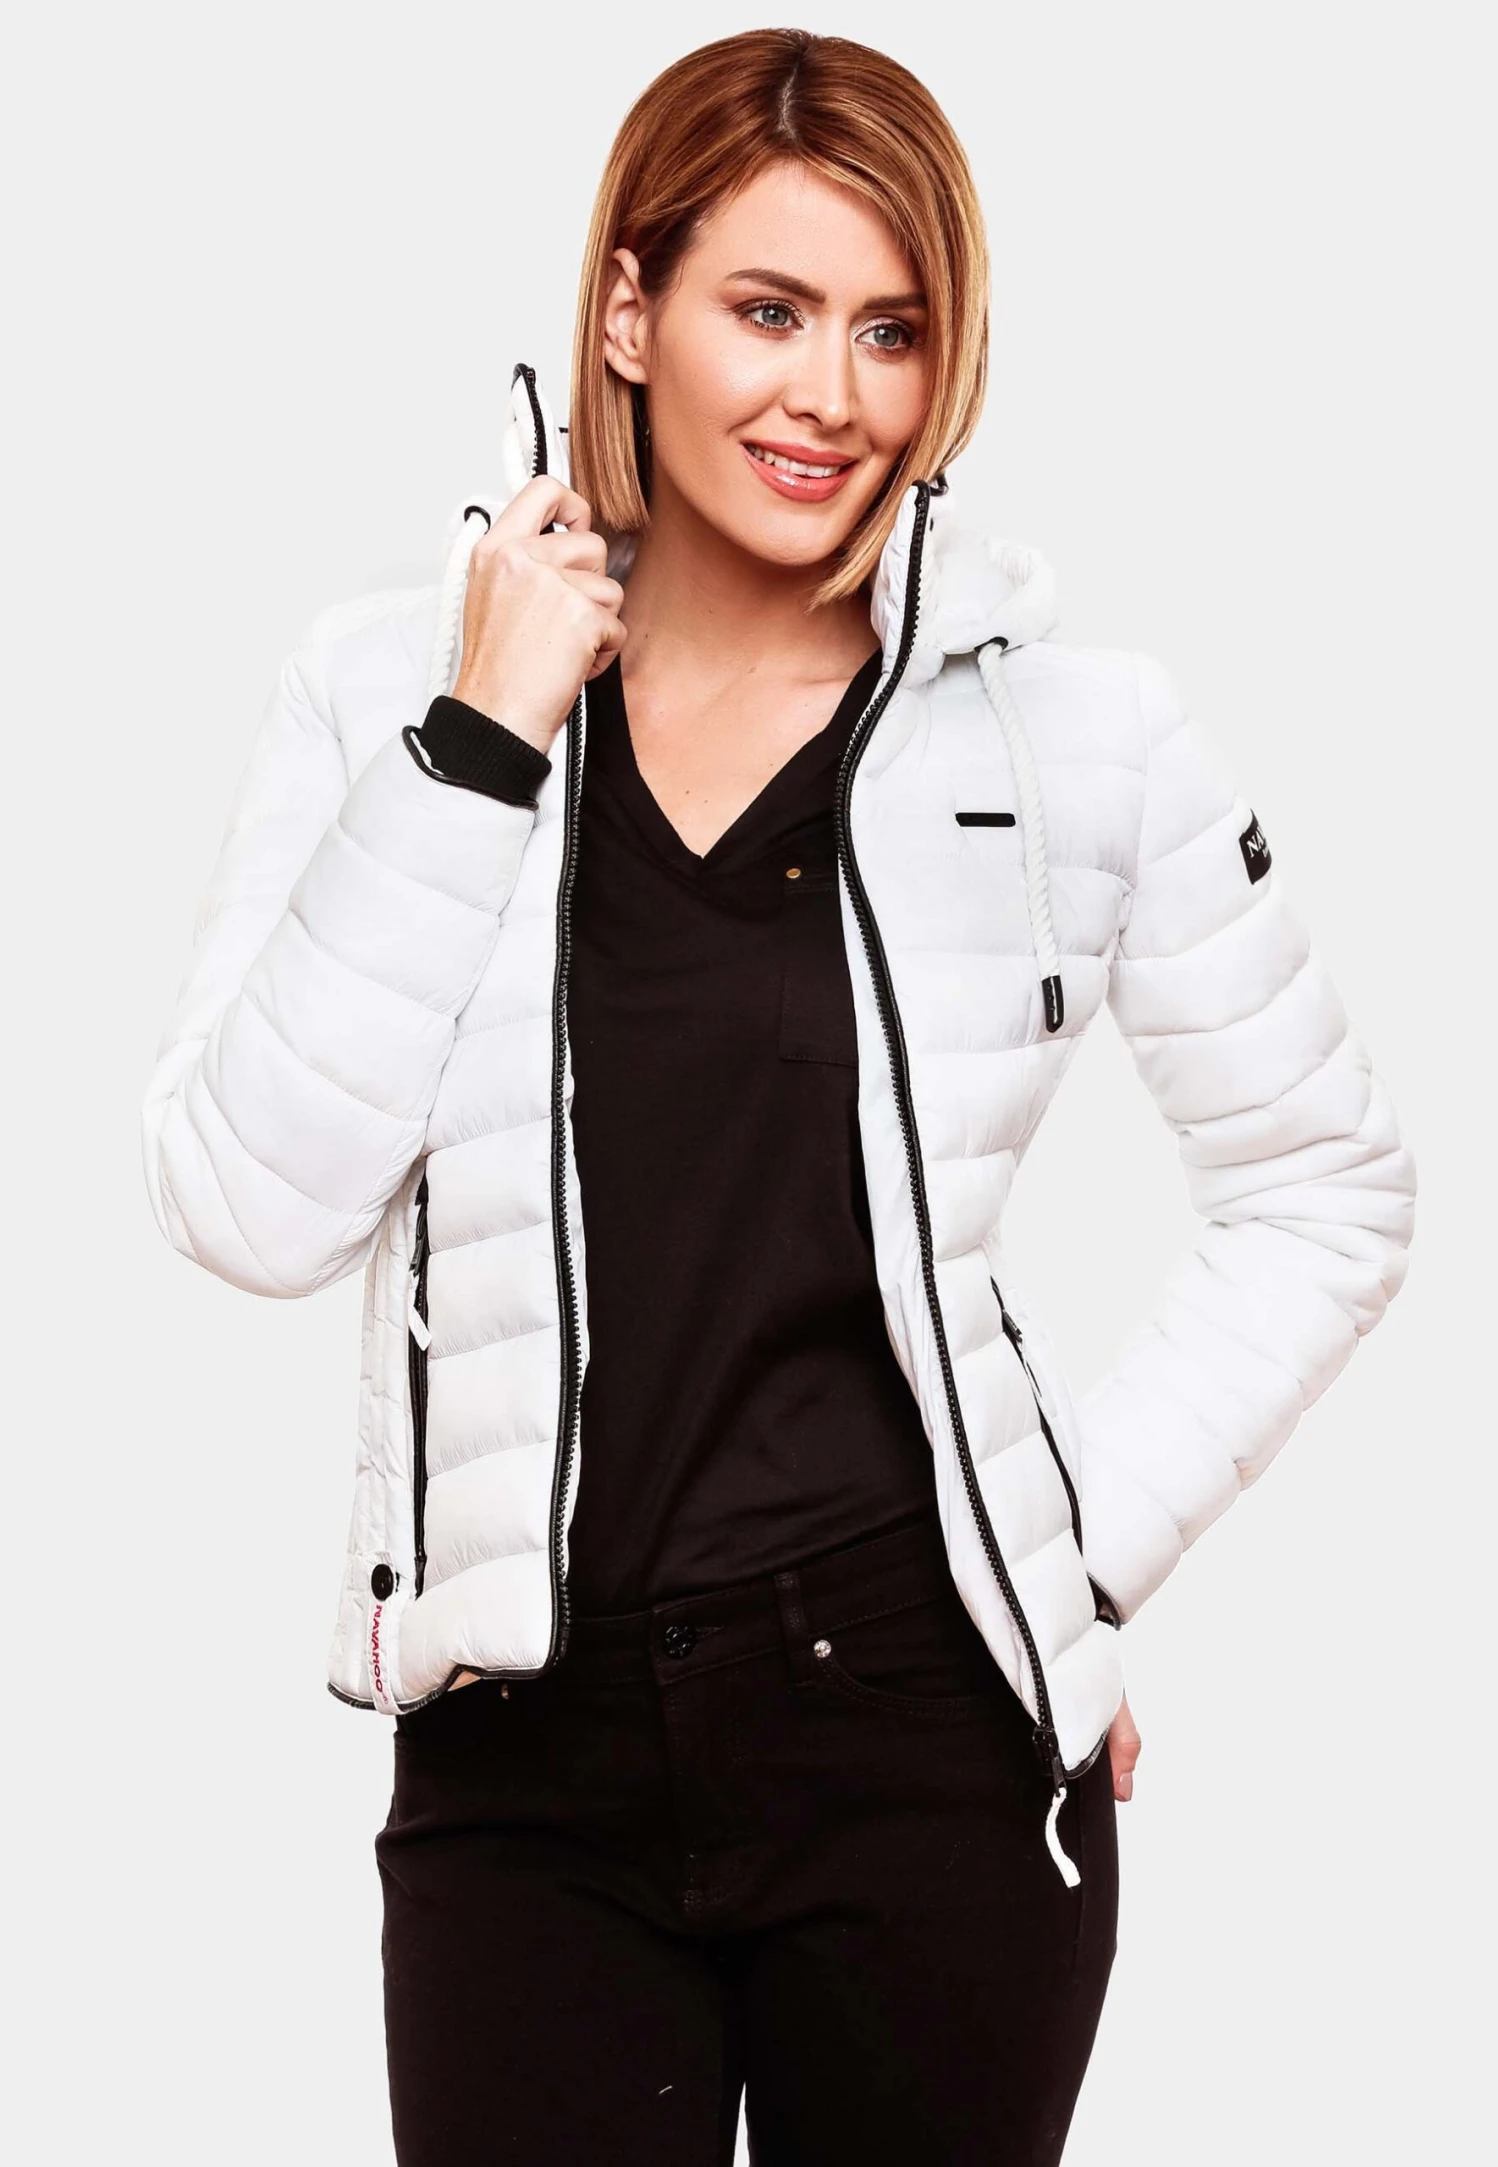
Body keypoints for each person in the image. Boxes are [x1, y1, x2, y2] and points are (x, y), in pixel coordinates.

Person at [139, 27, 1417, 2167]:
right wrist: (483, 738)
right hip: (524, 1773)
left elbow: (1325, 1186)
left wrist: (1056, 1573)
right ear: (628, 313)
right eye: (769, 309)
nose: (833, 393)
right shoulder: (386, 694)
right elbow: (245, 1205)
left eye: (891, 331)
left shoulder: (1076, 738)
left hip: (923, 1745)